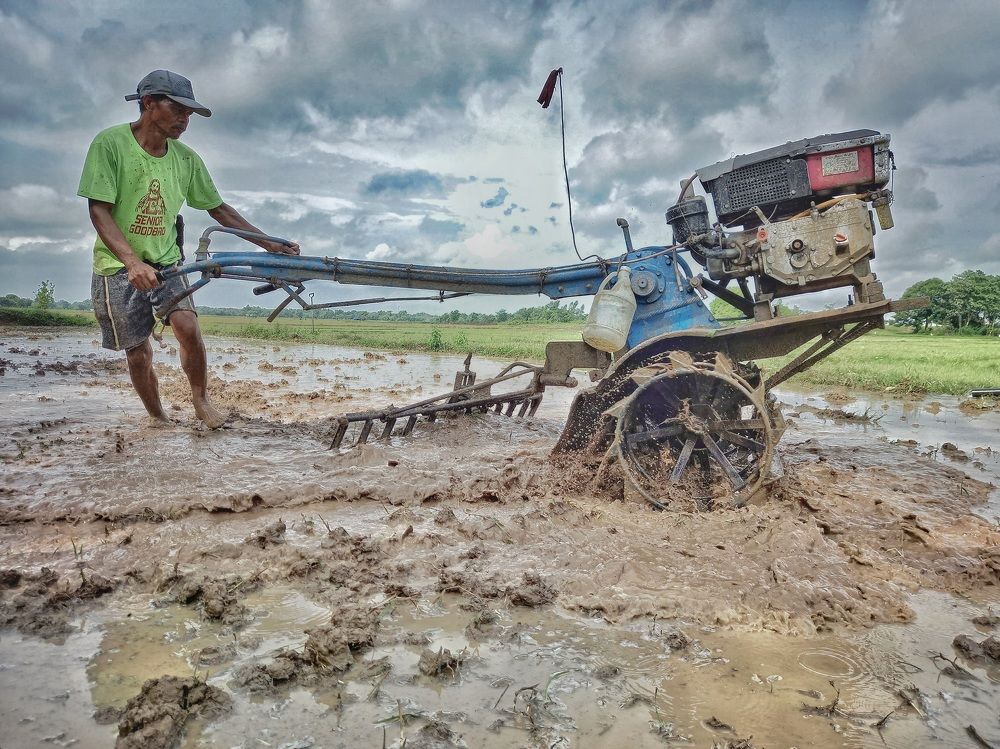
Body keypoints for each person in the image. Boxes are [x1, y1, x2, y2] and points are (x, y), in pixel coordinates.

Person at [78, 69, 299, 428]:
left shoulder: (186, 159)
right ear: (149, 103)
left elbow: (219, 208)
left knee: (188, 327)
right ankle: (158, 418)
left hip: (166, 261)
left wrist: (269, 242)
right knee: (138, 354)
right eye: (178, 109)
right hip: (117, 266)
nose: (185, 119)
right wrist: (132, 261)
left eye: (189, 114)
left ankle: (200, 400)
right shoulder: (110, 145)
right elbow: (98, 209)